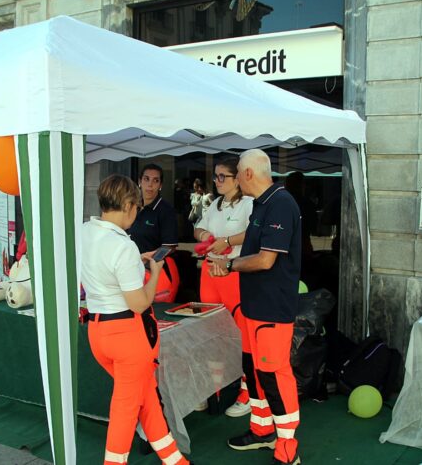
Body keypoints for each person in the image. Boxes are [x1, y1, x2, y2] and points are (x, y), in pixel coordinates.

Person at [81, 174, 190, 465]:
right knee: (127, 408)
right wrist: (154, 275)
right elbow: (140, 303)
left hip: (97, 332)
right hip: (128, 336)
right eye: (137, 208)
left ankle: (174, 460)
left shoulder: (84, 232)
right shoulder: (122, 245)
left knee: (145, 397)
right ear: (129, 205)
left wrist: (135, 260)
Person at [209, 149, 303, 465]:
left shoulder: (281, 203)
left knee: (275, 375)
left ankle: (287, 448)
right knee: (254, 369)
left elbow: (266, 259)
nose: (234, 180)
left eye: (236, 174)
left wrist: (229, 264)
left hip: (271, 309)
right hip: (253, 307)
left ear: (248, 174)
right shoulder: (263, 203)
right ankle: (262, 430)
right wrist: (227, 261)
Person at [193, 157, 254, 417]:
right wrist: (205, 236)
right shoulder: (214, 204)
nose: (217, 181)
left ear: (236, 179)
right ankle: (212, 389)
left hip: (233, 274)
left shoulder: (249, 203)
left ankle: (247, 392)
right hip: (210, 273)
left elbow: (255, 234)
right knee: (210, 333)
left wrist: (227, 240)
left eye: (222, 177)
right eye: (215, 177)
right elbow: (198, 229)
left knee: (243, 335)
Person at [128, 163, 180, 302]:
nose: (150, 185)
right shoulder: (131, 207)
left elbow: (170, 246)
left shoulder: (165, 211)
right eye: (146, 179)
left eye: (155, 180)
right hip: (133, 271)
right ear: (139, 181)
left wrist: (147, 260)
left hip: (158, 272)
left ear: (160, 185)